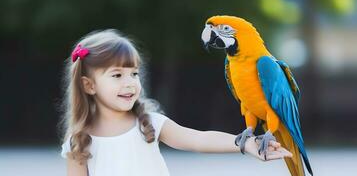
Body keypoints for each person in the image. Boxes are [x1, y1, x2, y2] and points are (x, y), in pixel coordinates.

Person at [59, 29, 292, 176]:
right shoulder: (79, 141)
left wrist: (246, 144)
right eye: (117, 75)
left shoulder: (148, 123)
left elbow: (197, 139)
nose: (129, 82)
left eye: (134, 74)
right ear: (89, 85)